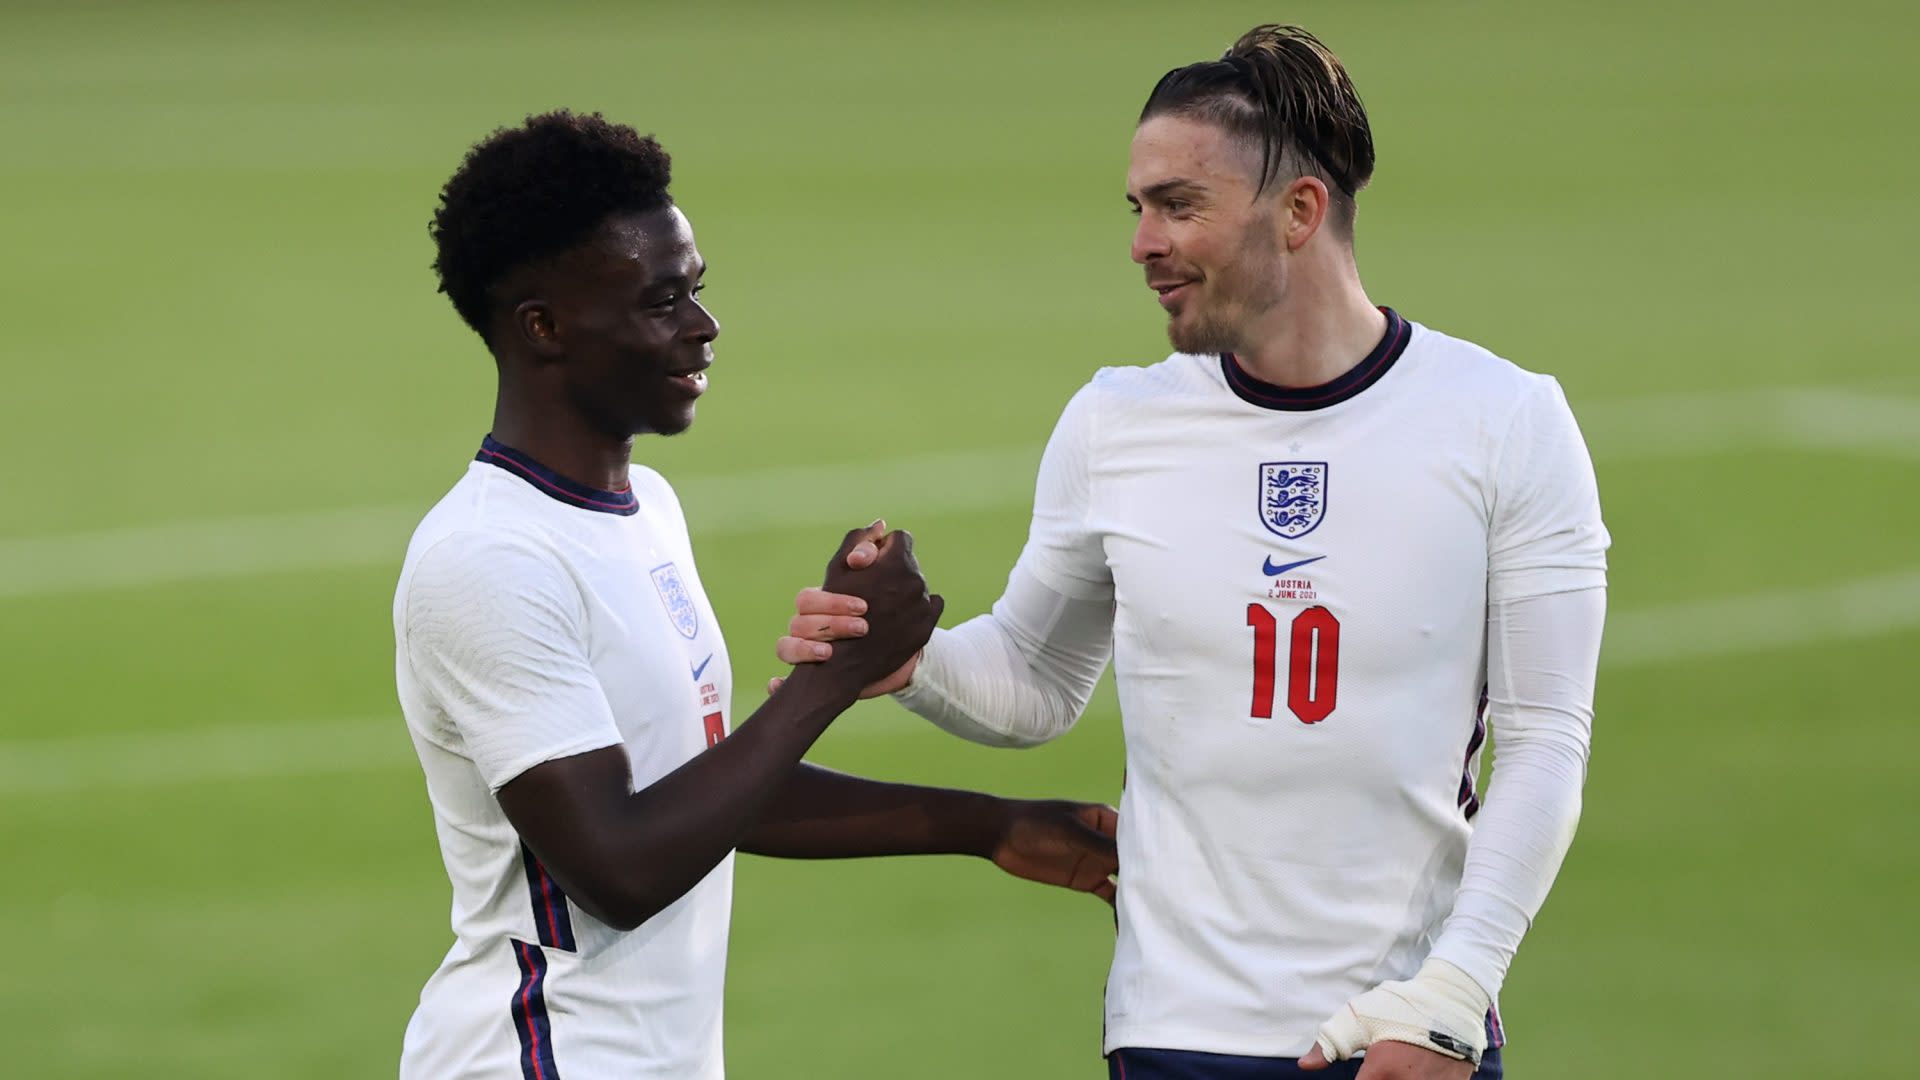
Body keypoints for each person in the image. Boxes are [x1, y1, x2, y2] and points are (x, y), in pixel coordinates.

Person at [774, 25, 1608, 1080]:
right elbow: (1036, 681)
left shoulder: (1505, 421)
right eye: (1137, 208)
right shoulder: (1114, 423)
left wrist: (1455, 990)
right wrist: (909, 663)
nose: (1142, 241)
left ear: (1299, 211)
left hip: (1403, 1032)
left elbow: (1545, 741)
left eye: (1179, 205)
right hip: (1176, 1033)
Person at [394, 110, 1120, 1079]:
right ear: (545, 327)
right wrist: (836, 680)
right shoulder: (489, 559)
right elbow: (619, 865)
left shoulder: (642, 505)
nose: (703, 326)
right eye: (661, 302)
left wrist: (986, 825)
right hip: (542, 1056)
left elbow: (698, 795)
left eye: (697, 290)